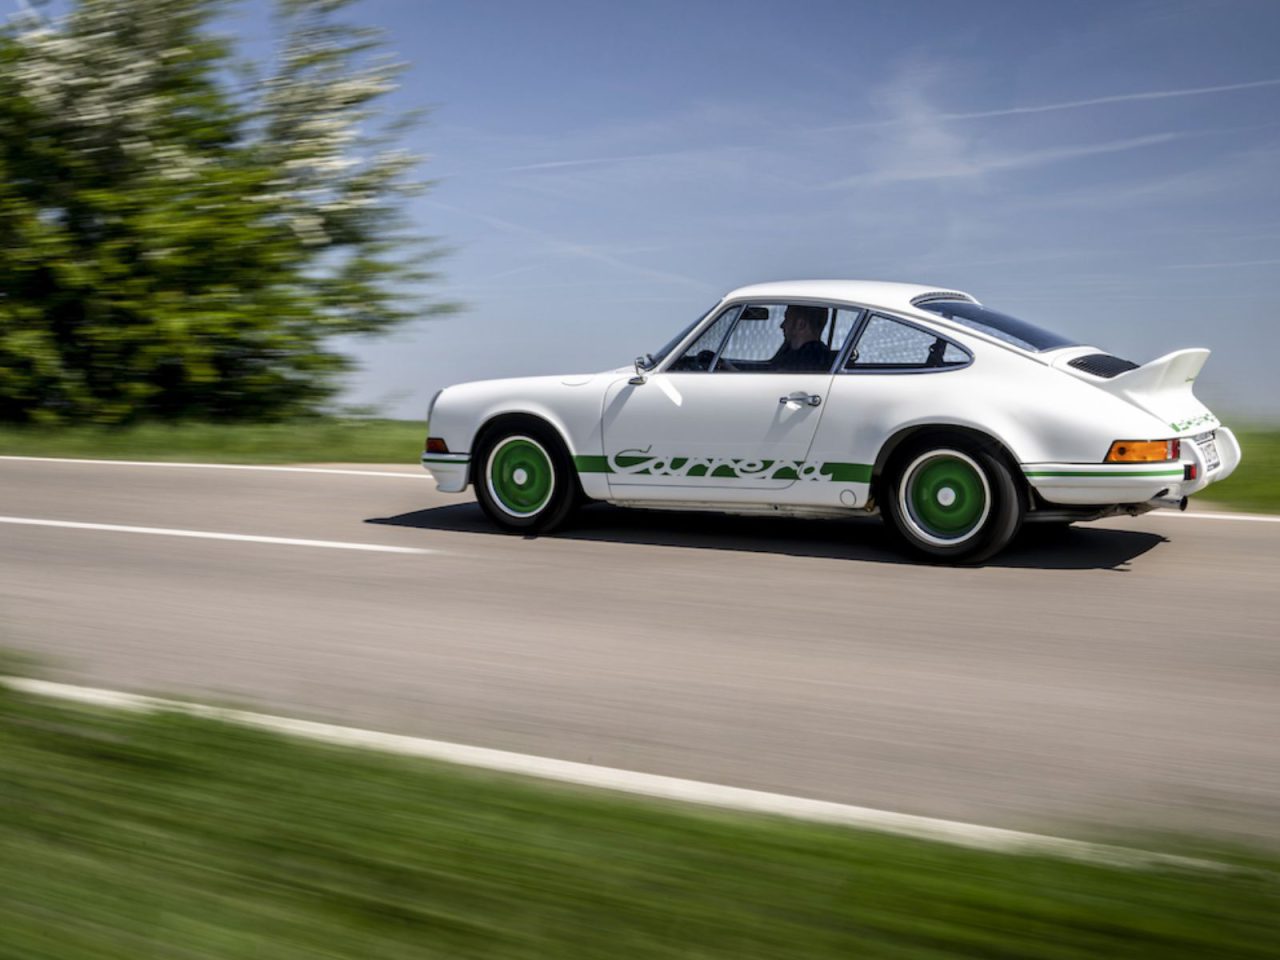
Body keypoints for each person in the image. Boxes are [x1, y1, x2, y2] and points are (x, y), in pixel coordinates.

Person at [770, 305, 833, 372]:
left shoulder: (805, 363)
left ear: (801, 324)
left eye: (786, 319)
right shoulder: (822, 356)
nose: (782, 325)